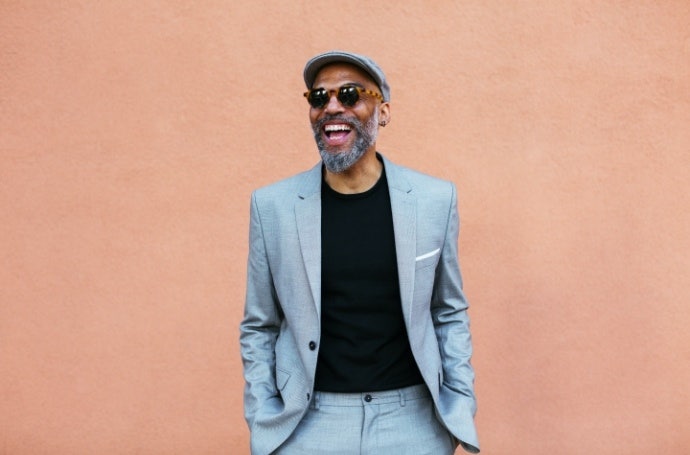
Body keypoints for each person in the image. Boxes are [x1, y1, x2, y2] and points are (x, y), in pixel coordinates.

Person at [240, 50, 479, 454]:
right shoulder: (273, 206)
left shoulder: (434, 200)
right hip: (308, 425)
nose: (332, 106)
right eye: (319, 97)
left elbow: (448, 310)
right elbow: (259, 325)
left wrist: (459, 401)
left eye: (349, 94)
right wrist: (264, 413)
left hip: (413, 422)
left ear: (382, 112)